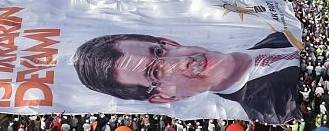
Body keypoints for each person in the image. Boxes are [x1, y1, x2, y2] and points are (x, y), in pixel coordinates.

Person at [73, 33, 301, 124]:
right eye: (156, 73)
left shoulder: (272, 36)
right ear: (163, 97)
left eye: (159, 52)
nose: (182, 62)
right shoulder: (274, 109)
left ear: (169, 42)